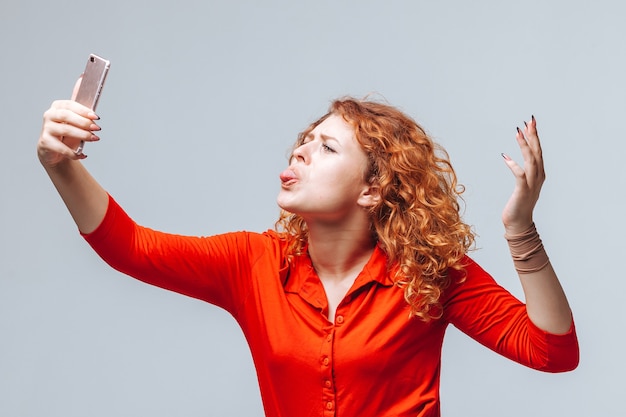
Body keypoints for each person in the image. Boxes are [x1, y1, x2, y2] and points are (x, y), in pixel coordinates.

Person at [37, 77, 579, 417]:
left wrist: (520, 230)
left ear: (371, 188)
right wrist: (60, 165)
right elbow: (129, 246)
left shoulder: (429, 273)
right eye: (304, 139)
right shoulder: (251, 263)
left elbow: (553, 352)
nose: (300, 150)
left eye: (325, 147)